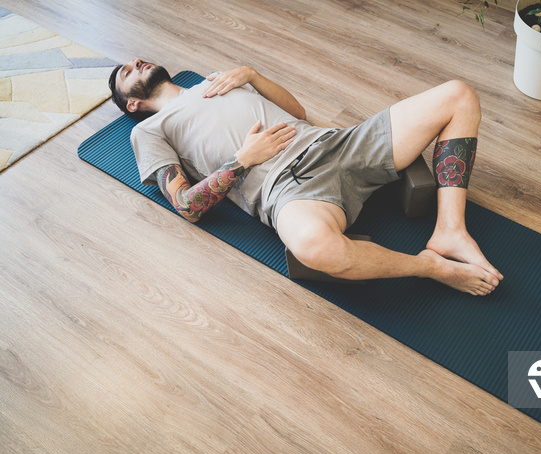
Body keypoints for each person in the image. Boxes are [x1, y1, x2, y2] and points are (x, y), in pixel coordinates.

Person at [108, 59, 503, 295]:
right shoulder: (146, 130)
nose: (137, 63)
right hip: (288, 189)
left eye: (137, 60)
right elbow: (186, 205)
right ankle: (432, 266)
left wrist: (250, 74)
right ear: (132, 102)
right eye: (127, 71)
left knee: (459, 94)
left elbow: (298, 113)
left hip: (335, 144)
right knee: (314, 248)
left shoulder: (215, 80)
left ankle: (450, 230)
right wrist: (244, 159)